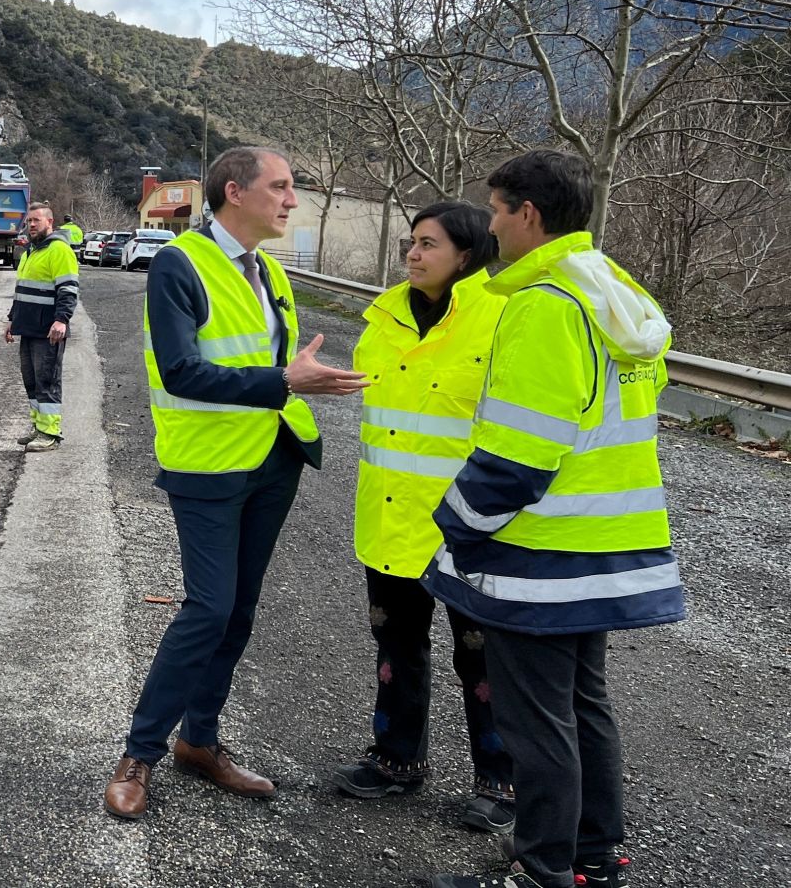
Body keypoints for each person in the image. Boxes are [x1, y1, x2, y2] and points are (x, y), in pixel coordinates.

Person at [424, 151, 682, 888]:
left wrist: (457, 525)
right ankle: (593, 857)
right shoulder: (614, 291)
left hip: (540, 550)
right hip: (608, 538)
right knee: (582, 704)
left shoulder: (544, 305)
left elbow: (518, 455)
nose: (491, 226)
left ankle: (542, 870)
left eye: (496, 210)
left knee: (537, 722)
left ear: (527, 214)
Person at [104, 146, 367, 821]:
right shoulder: (179, 263)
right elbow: (181, 371)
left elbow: (274, 364)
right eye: (280, 187)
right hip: (207, 463)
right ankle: (139, 753)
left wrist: (300, 382)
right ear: (234, 191)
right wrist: (284, 380)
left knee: (240, 610)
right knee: (209, 609)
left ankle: (200, 741)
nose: (292, 200)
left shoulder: (269, 269)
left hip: (272, 458)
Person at [334, 201, 516, 835]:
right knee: (396, 645)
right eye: (411, 242)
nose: (412, 254)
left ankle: (502, 779)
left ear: (466, 254)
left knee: (483, 658)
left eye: (428, 244)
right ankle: (396, 758)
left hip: (470, 525)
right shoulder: (383, 317)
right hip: (390, 514)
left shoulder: (503, 317)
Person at [1, 202, 77, 453]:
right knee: (31, 382)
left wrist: (62, 320)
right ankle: (38, 427)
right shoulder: (31, 252)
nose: (31, 225)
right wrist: (12, 320)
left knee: (47, 380)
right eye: (29, 221)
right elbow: (22, 291)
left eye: (36, 220)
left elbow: (68, 289)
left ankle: (50, 433)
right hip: (28, 328)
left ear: (50, 222)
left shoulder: (59, 250)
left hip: (48, 331)